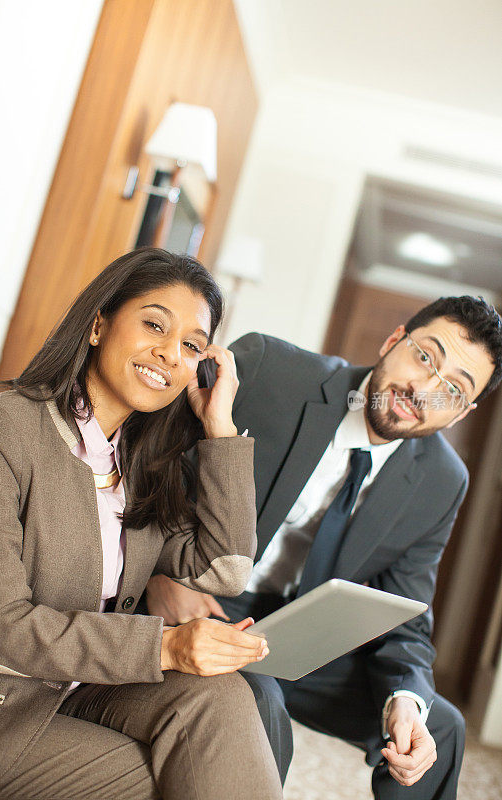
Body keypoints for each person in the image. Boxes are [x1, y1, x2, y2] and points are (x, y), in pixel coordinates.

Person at [147, 295, 502, 800]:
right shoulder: (272, 372)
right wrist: (160, 578)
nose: (423, 389)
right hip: (205, 601)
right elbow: (150, 467)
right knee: (259, 699)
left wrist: (405, 701)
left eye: (452, 389)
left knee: (438, 726)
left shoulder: (443, 481)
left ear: (461, 414)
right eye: (425, 356)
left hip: (302, 636)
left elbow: (408, 619)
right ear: (393, 340)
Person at [0, 247, 283, 800]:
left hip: (79, 688)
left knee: (222, 698)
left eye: (191, 346)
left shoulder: (139, 468)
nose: (169, 354)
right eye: (154, 325)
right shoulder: (1, 432)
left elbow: (226, 571)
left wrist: (220, 426)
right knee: (166, 778)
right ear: (98, 324)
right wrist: (165, 647)